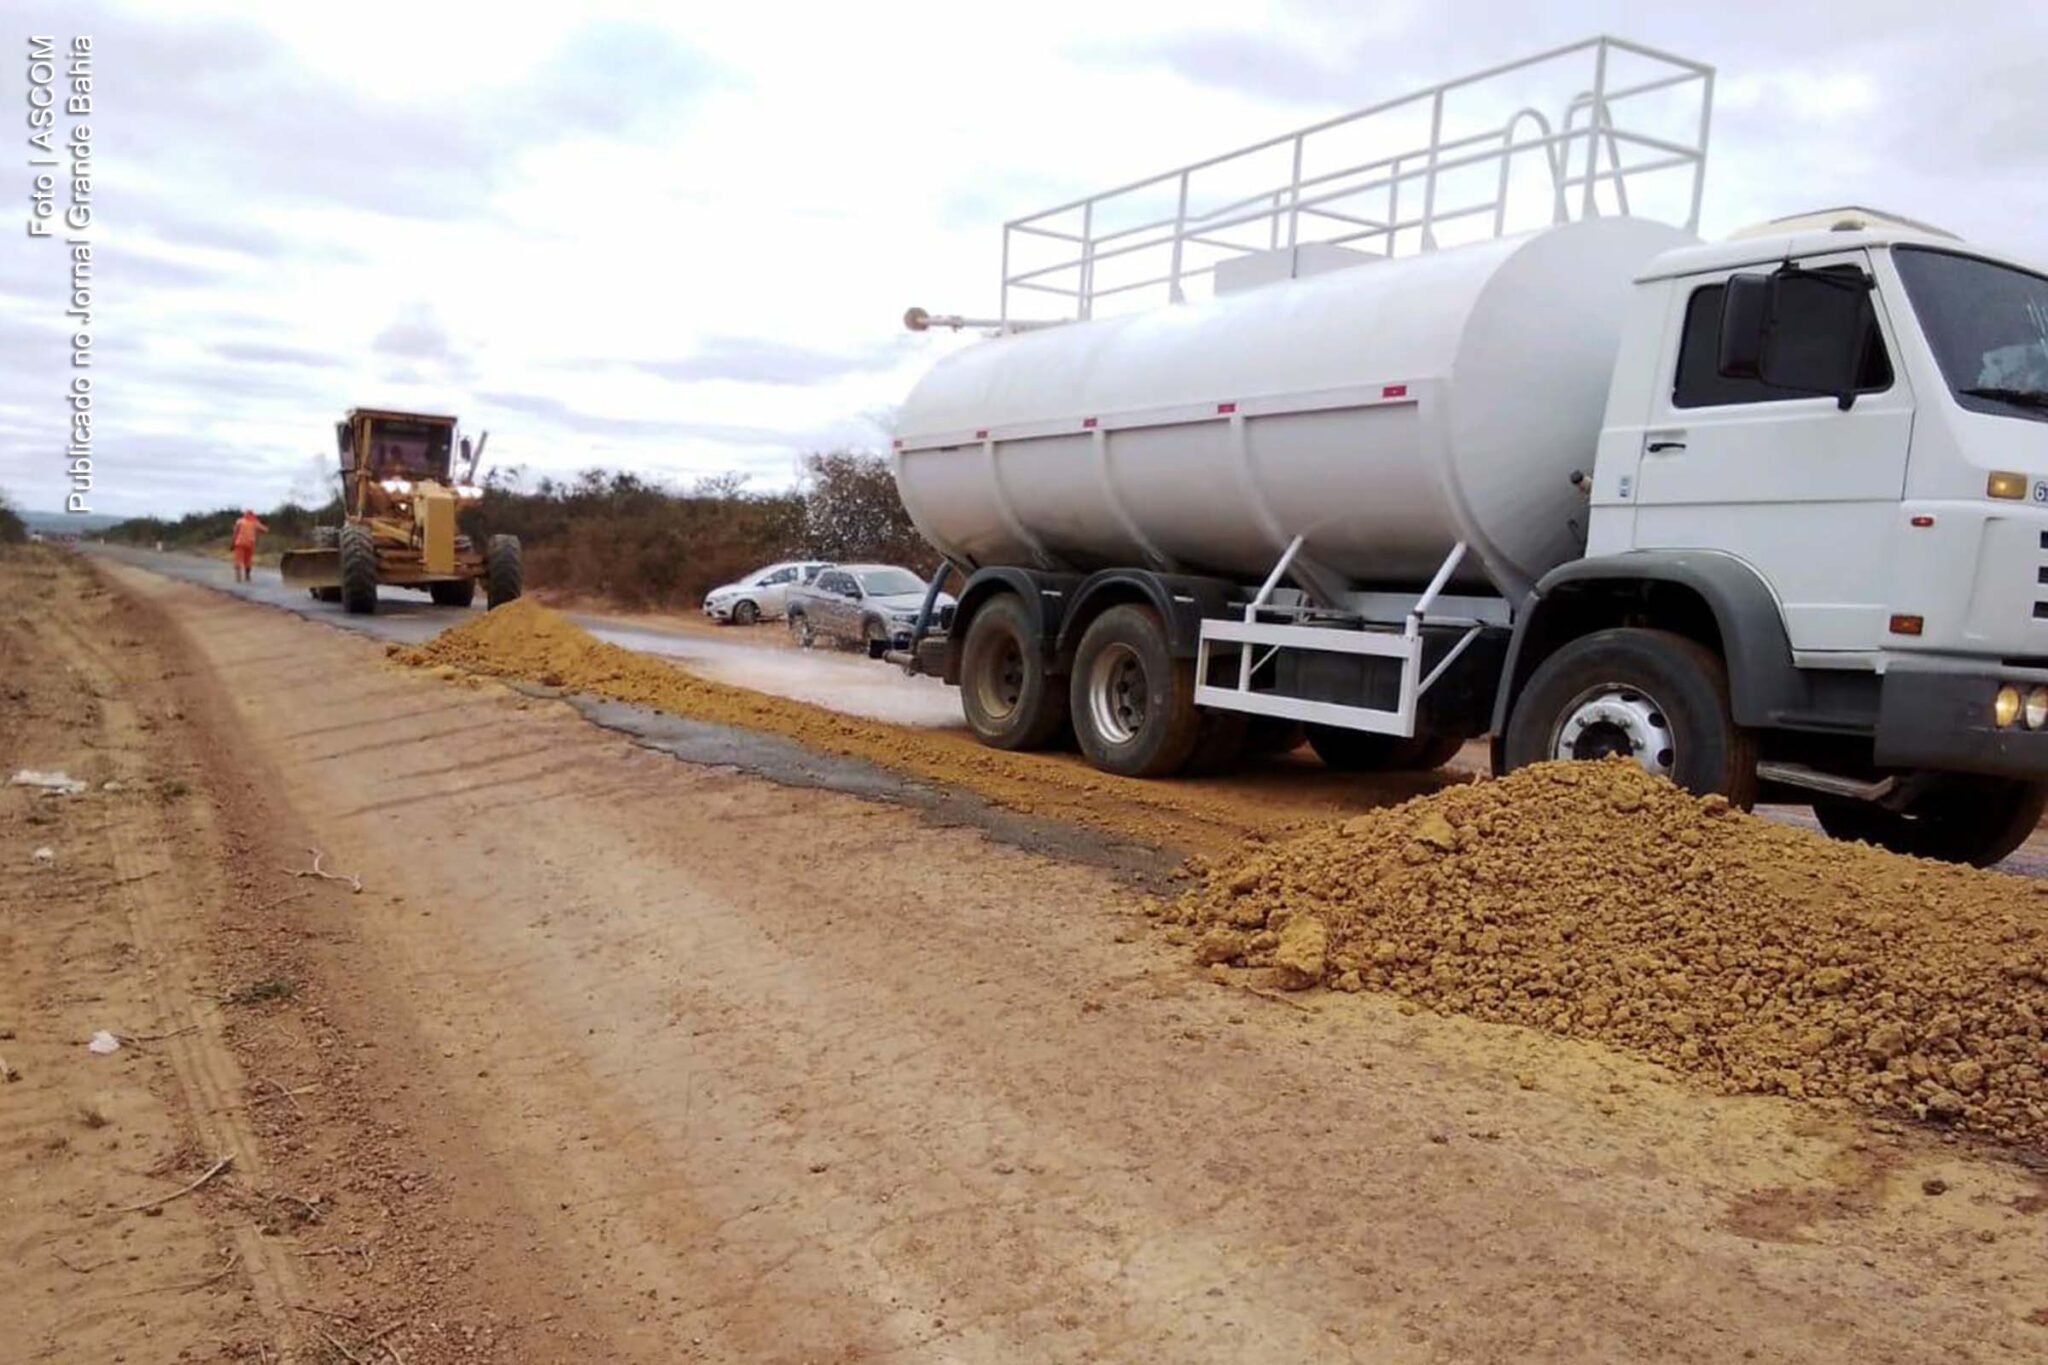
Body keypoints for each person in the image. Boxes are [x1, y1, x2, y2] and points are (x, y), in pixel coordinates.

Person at [231, 509, 267, 583]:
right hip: (250, 544)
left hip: (239, 543)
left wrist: (232, 543)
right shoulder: (255, 522)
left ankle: (238, 576)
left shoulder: (239, 521)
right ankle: (247, 576)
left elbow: (235, 533)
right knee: (248, 560)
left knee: (238, 560)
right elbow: (265, 530)